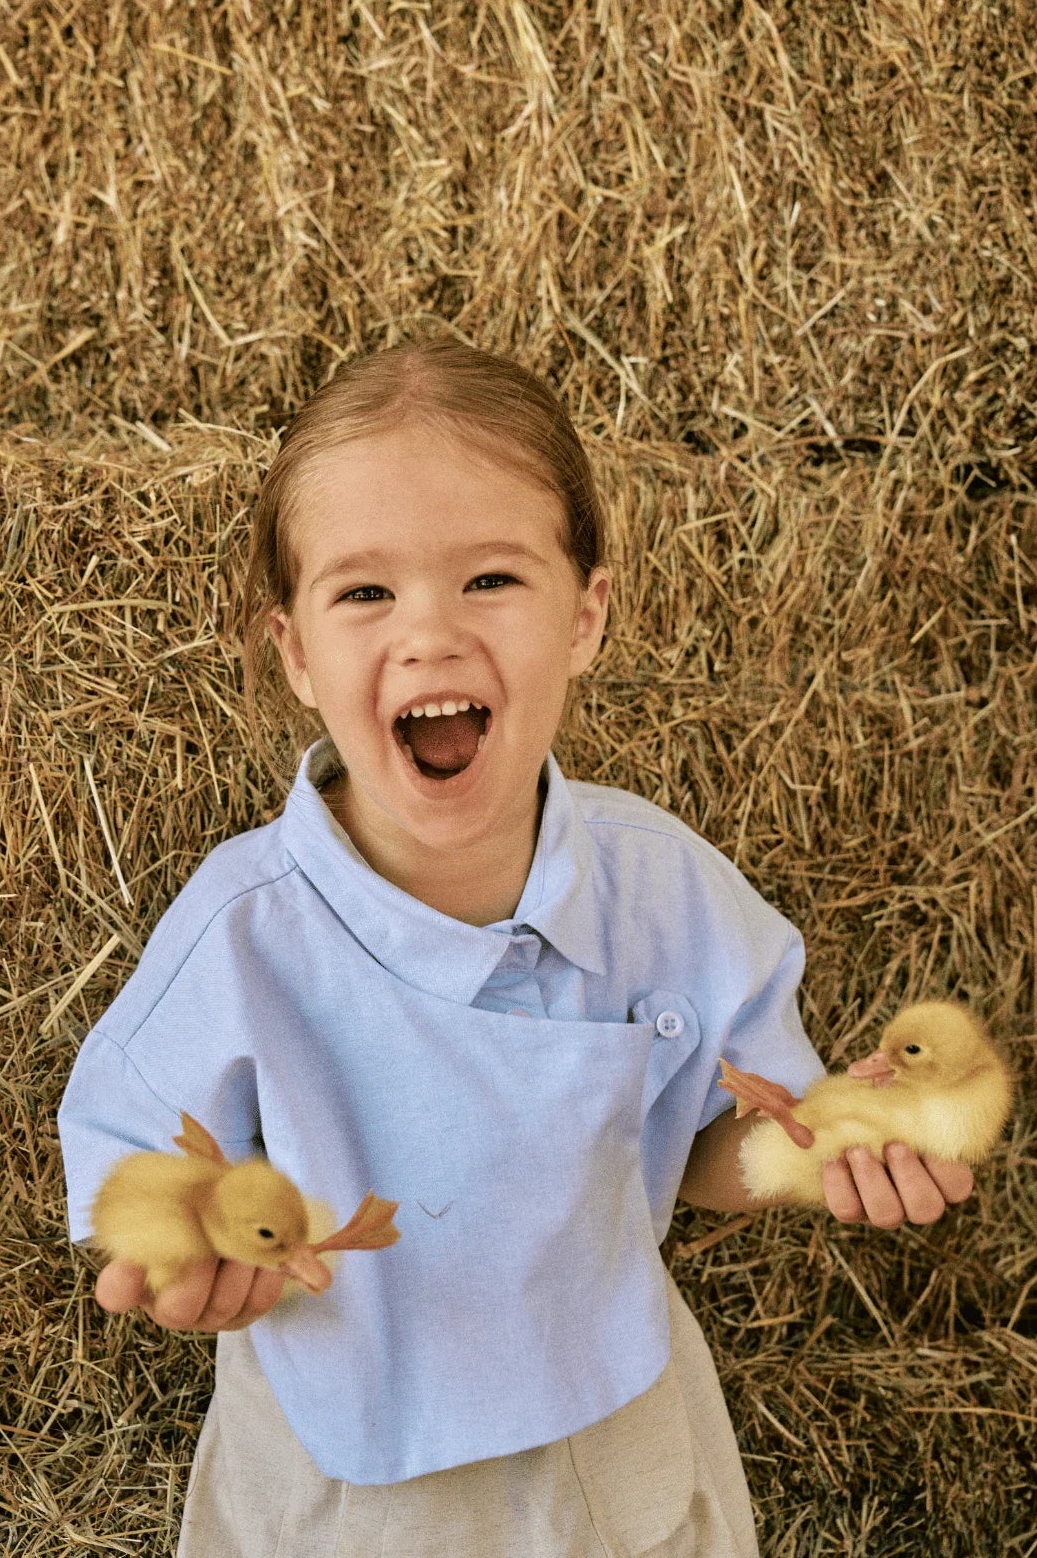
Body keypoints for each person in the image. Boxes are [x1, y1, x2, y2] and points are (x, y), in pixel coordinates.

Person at [58, 340, 974, 1557]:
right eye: (365, 594)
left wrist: (819, 1139)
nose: (429, 635)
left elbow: (714, 1148)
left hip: (618, 1463)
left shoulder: (664, 888)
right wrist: (182, 1257)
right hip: (343, 1493)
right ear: (295, 653)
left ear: (585, 614)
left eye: (490, 578)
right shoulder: (245, 934)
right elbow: (136, 1171)